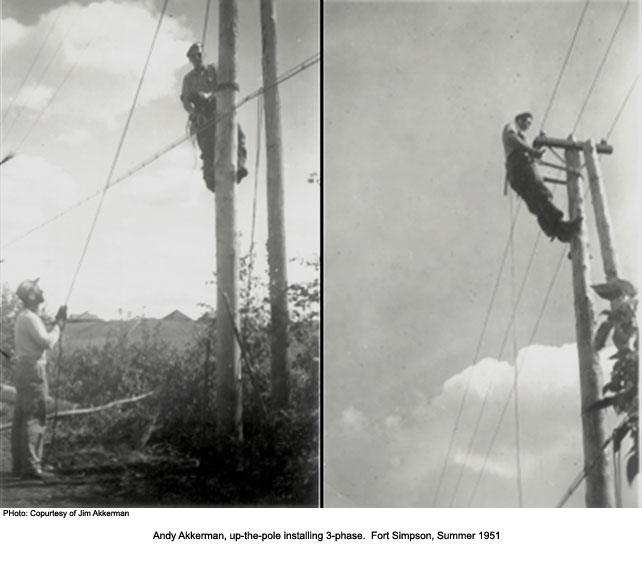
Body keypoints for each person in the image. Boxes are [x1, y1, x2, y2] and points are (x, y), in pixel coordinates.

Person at [11, 278, 67, 480]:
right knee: (35, 416)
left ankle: (21, 465)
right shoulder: (30, 318)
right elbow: (46, 343)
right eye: (38, 289)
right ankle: (33, 467)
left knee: (22, 418)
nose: (42, 291)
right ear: (32, 296)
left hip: (24, 369)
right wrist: (58, 327)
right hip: (34, 370)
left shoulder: (24, 317)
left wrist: (53, 326)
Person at [502, 112, 581, 243]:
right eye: (527, 122)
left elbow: (527, 150)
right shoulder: (512, 127)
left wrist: (537, 147)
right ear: (519, 119)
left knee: (536, 203)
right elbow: (512, 139)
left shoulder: (521, 136)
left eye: (530, 123)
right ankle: (560, 223)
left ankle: (559, 231)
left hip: (515, 173)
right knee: (541, 192)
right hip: (519, 164)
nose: (528, 125)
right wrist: (533, 151)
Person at [180, 42, 248, 192]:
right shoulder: (188, 79)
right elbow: (185, 100)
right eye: (193, 56)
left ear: (202, 55)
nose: (196, 58)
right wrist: (192, 113)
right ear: (190, 59)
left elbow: (224, 86)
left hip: (218, 109)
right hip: (202, 116)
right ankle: (209, 177)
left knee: (239, 135)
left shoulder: (213, 69)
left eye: (198, 55)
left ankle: (240, 165)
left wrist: (211, 96)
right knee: (208, 147)